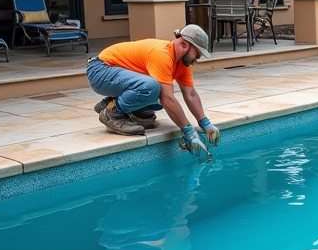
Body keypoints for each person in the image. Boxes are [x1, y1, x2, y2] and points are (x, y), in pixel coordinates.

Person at [85, 24, 219, 157]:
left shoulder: (183, 63)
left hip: (115, 74)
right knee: (153, 88)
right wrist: (188, 131)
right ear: (184, 45)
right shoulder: (162, 54)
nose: (198, 58)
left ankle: (115, 104)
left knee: (158, 99)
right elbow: (168, 99)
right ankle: (112, 113)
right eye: (198, 53)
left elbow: (191, 94)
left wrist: (204, 123)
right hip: (100, 70)